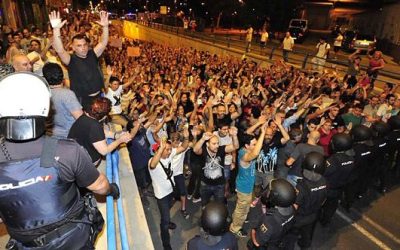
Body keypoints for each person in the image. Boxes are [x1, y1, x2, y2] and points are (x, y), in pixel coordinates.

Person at [0, 72, 120, 249]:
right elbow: (100, 186)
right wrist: (112, 190)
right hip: (74, 240)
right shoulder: (62, 150)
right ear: (46, 109)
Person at [49, 11, 109, 109]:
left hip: (99, 97)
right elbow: (60, 50)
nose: (83, 47)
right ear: (73, 47)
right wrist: (56, 29)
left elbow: (103, 43)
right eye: (79, 45)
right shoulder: (70, 60)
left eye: (85, 45)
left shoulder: (92, 54)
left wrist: (105, 27)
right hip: (83, 101)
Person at [148, 137, 188, 250]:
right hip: (161, 196)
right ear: (158, 150)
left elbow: (184, 147)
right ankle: (166, 245)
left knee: (168, 211)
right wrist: (160, 150)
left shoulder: (170, 154)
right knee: (164, 220)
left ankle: (168, 221)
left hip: (170, 191)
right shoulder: (151, 161)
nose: (170, 151)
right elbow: (152, 165)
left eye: (170, 149)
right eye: (167, 149)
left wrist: (186, 137)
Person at [68, 97, 132, 166]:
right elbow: (104, 151)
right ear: (104, 116)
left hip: (74, 155)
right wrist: (120, 140)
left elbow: (99, 133)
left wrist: (116, 135)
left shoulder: (85, 116)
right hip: (85, 163)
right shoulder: (95, 126)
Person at [229, 124, 267, 238]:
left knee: (243, 207)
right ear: (247, 145)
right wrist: (263, 133)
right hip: (244, 188)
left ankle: (240, 218)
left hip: (247, 186)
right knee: (241, 209)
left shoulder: (244, 148)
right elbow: (255, 153)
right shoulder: (244, 156)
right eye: (254, 144)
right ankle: (235, 228)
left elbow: (247, 133)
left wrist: (260, 124)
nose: (256, 146)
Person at [287, 152, 327, 249]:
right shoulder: (324, 181)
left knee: (291, 236)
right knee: (307, 235)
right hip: (313, 215)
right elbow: (323, 200)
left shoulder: (302, 186)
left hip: (299, 218)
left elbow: (295, 206)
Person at [193, 127, 239, 207]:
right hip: (205, 184)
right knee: (204, 204)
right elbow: (195, 150)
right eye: (214, 144)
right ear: (207, 144)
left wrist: (234, 136)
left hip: (219, 185)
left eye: (218, 143)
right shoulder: (204, 150)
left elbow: (235, 147)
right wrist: (203, 139)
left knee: (219, 205)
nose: (217, 146)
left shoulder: (221, 149)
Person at [249, 179, 296, 249]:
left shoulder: (269, 221)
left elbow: (257, 243)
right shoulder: (292, 208)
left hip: (270, 245)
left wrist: (253, 230)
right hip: (282, 238)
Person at [320, 133, 354, 225]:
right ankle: (326, 221)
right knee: (332, 206)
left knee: (321, 205)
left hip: (328, 189)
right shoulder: (351, 158)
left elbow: (323, 173)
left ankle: (322, 219)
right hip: (340, 188)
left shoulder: (332, 161)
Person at [42, 62, 83, 138]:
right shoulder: (66, 94)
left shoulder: (43, 93)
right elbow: (80, 119)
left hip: (51, 135)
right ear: (62, 75)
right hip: (68, 136)